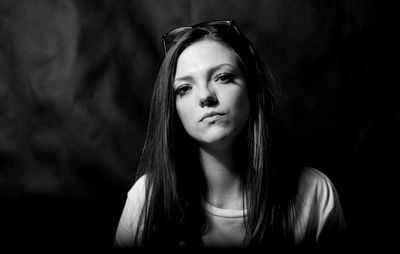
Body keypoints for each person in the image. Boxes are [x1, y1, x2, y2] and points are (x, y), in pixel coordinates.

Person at [114, 19, 346, 250]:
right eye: (185, 88)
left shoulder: (314, 192)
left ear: (252, 89)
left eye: (222, 77)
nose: (205, 96)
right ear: (172, 109)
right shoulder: (146, 199)